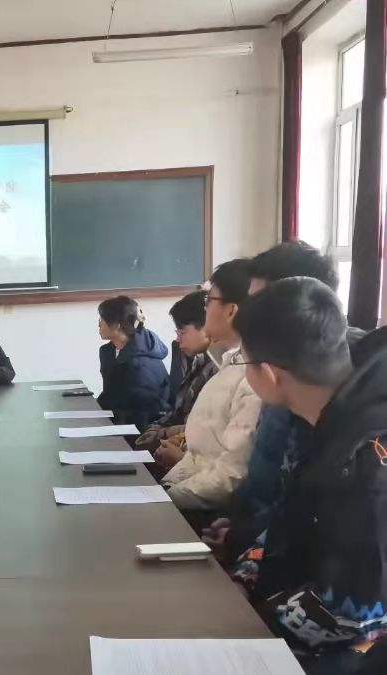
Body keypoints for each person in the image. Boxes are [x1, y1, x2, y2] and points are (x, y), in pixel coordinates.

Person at [231, 277, 387, 672]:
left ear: (270, 374)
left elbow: (355, 614)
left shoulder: (367, 461)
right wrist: (246, 575)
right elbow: (290, 519)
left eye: (242, 361)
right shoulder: (321, 415)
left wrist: (249, 617)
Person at [202, 242, 341, 563]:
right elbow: (276, 493)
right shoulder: (298, 383)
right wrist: (240, 531)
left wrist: (248, 555)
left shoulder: (322, 396)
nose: (244, 315)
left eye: (255, 303)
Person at [161, 259, 262, 518]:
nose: (205, 308)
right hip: (188, 496)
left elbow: (231, 474)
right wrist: (166, 489)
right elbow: (200, 454)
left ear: (231, 311)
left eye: (209, 301)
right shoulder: (229, 363)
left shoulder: (253, 377)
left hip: (211, 514)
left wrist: (165, 500)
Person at [136, 290, 215, 465]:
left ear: (206, 328)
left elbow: (204, 428)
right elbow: (178, 411)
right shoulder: (197, 362)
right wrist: (156, 429)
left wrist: (162, 434)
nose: (177, 340)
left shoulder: (218, 369)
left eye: (182, 333)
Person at [95, 296, 170, 431]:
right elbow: (111, 395)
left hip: (146, 429)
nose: (99, 324)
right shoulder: (108, 352)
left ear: (117, 325)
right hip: (121, 420)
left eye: (102, 320)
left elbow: (142, 411)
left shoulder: (140, 363)